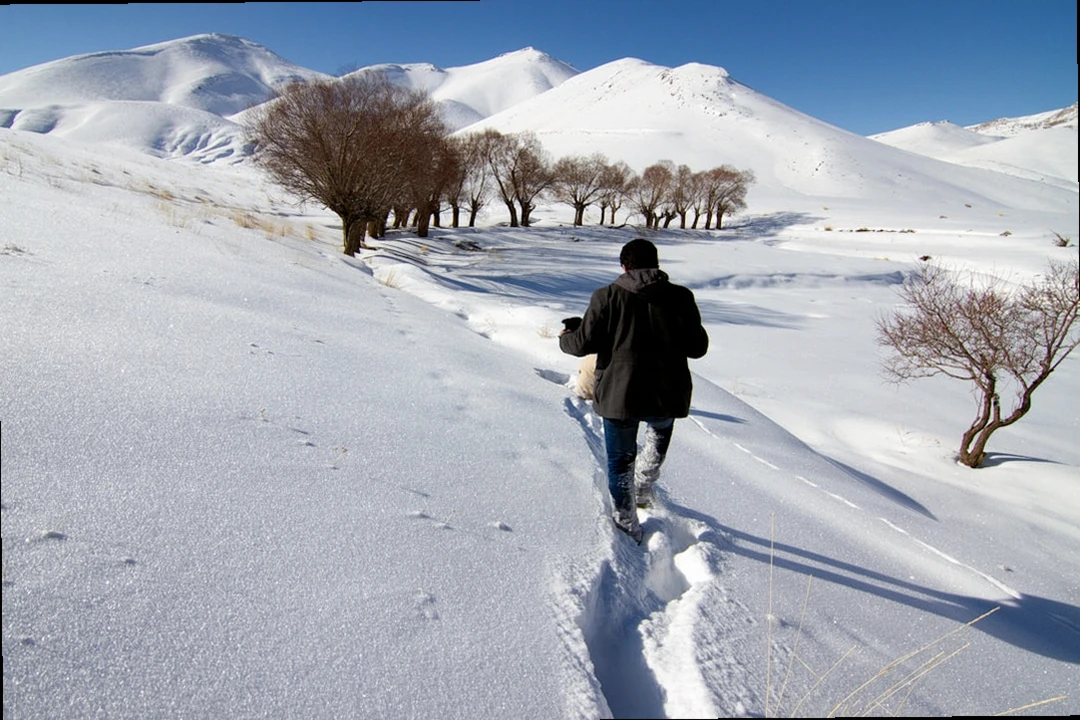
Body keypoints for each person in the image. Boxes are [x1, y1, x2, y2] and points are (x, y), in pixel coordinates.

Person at [559, 238, 709, 544]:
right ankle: (643, 489)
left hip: (620, 395)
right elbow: (698, 348)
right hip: (667, 394)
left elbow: (581, 345)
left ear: (624, 266)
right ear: (656, 264)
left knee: (620, 462)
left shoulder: (607, 296)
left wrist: (567, 335)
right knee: (656, 440)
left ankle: (627, 521)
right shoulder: (681, 297)